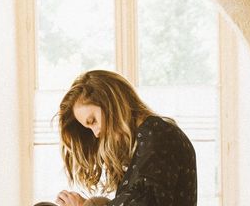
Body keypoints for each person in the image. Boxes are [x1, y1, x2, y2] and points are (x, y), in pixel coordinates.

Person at [53, 70, 197, 206]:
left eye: (93, 121)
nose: (96, 133)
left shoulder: (155, 134)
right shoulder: (149, 136)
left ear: (111, 103)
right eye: (89, 128)